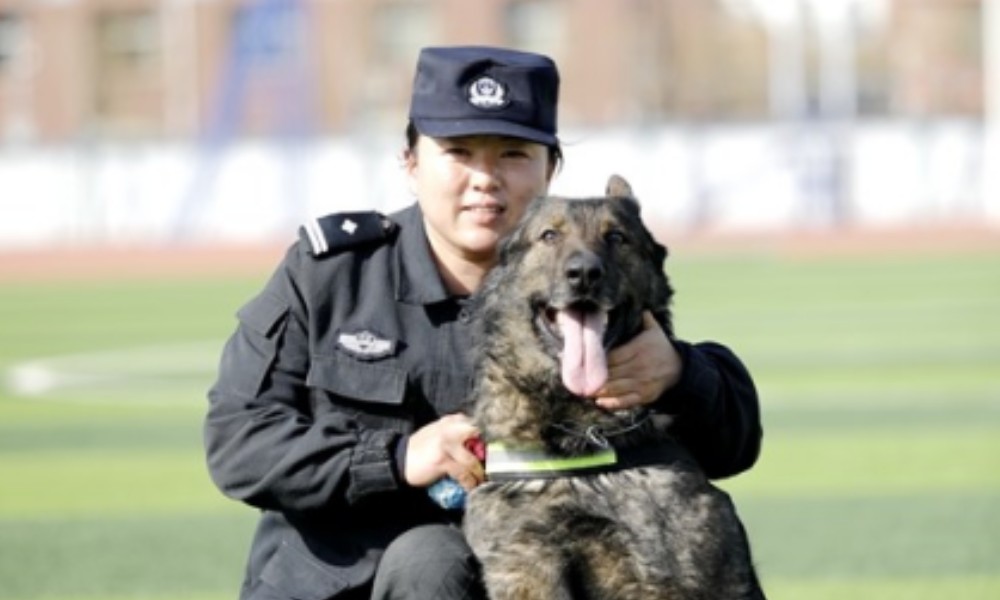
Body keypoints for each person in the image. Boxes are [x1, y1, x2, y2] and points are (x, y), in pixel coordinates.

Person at [204, 45, 762, 600]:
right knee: (431, 560)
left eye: (513, 154)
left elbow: (731, 449)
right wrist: (394, 459)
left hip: (524, 576)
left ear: (551, 170)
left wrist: (681, 374)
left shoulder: (594, 278)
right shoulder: (331, 276)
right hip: (350, 579)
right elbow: (239, 443)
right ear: (411, 162)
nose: (485, 179)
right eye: (458, 152)